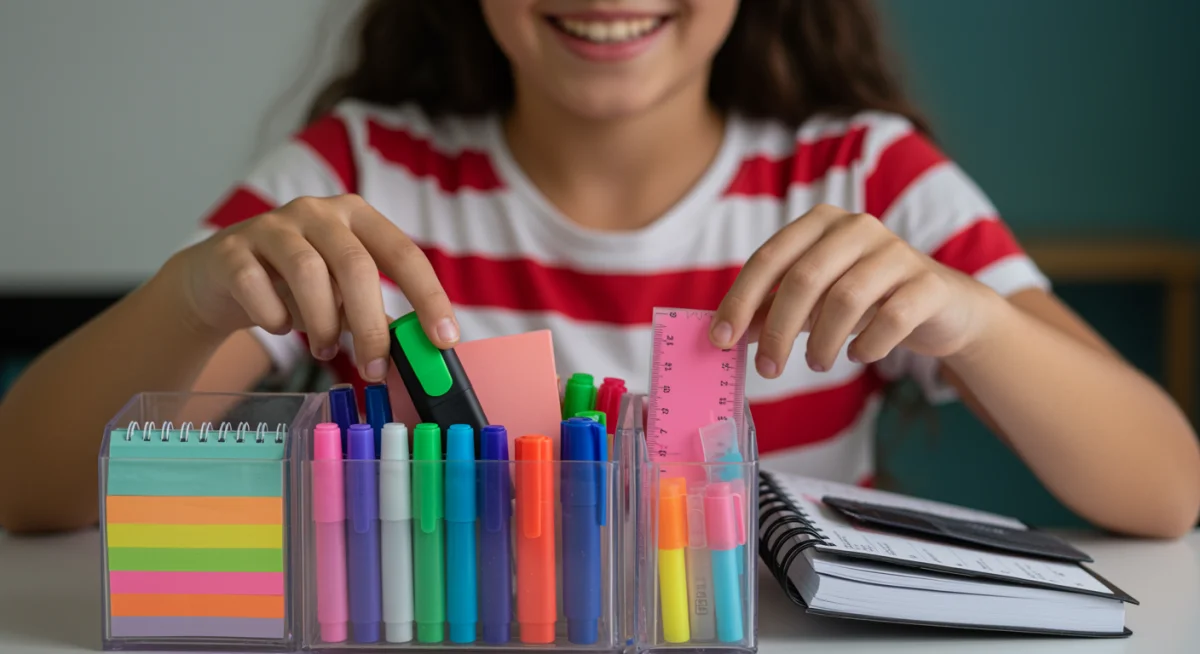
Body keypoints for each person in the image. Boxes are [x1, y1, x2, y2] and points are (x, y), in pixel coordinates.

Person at [0, 0, 1196, 537]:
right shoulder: (361, 169)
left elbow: (1167, 488)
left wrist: (972, 320)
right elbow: (30, 486)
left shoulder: (868, 177)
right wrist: (191, 295)